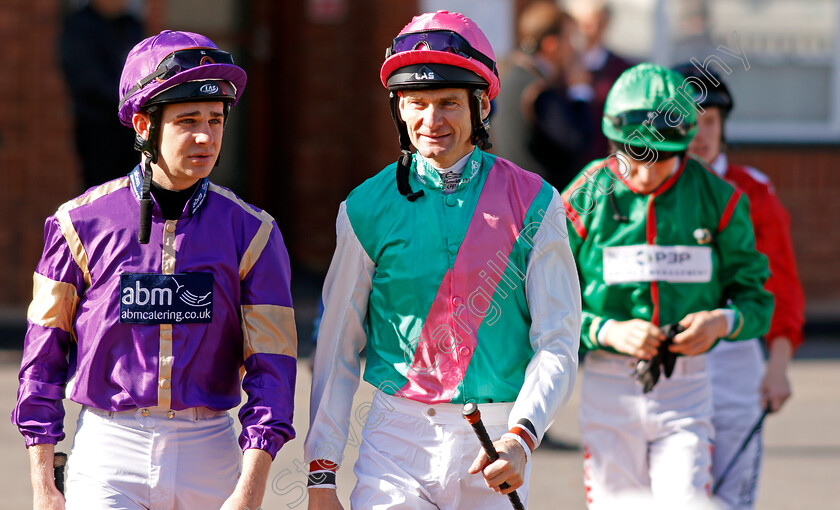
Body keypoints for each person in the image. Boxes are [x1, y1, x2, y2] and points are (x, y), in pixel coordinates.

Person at [304, 10, 582, 510]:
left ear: (480, 107)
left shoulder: (537, 203)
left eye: (449, 103)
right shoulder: (365, 207)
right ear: (399, 109)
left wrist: (524, 435)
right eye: (417, 103)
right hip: (396, 438)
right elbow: (338, 344)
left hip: (497, 436)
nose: (432, 122)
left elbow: (558, 339)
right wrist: (322, 473)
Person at [12, 30, 297, 509]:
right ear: (144, 125)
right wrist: (43, 484)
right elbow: (42, 359)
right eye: (188, 120)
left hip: (211, 451)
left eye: (215, 119)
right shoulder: (75, 224)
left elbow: (274, 370)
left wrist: (249, 490)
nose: (206, 136)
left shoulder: (256, 232)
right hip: (108, 449)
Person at [561, 63, 773, 508]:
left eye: (657, 156)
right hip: (607, 382)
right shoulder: (585, 194)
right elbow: (539, 301)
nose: (641, 172)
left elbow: (758, 301)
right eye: (630, 153)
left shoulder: (721, 198)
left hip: (688, 387)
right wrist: (604, 330)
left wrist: (722, 322)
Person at [675, 62, 806, 509]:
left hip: (737, 354)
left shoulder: (755, 190)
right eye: (689, 122)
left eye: (710, 121)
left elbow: (781, 286)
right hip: (672, 354)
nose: (701, 133)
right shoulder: (647, 191)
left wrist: (778, 364)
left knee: (735, 496)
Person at [492, 0, 593, 189]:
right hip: (541, 206)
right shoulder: (538, 89)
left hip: (514, 197)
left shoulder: (509, 76)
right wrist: (581, 92)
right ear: (551, 45)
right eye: (570, 39)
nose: (573, 49)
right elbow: (577, 140)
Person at [59, 0, 144, 190]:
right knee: (102, 193)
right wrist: (129, 101)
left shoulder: (131, 25)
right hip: (98, 128)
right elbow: (88, 82)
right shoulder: (80, 27)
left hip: (133, 130)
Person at [564, 0, 632, 165]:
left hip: (607, 166)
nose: (584, 31)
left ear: (605, 24)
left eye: (591, 24)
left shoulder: (622, 70)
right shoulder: (559, 69)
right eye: (578, 24)